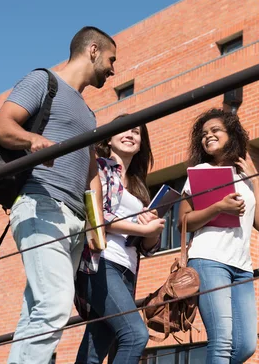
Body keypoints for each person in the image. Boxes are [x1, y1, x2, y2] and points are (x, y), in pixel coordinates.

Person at [0, 26, 117, 364]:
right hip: (41, 205)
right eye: (111, 59)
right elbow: (1, 126)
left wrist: (96, 226)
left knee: (36, 310)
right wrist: (34, 141)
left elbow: (91, 174)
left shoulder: (89, 114)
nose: (113, 69)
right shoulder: (44, 81)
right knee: (56, 303)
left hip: (75, 221)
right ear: (93, 50)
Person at [178, 108, 259, 363]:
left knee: (244, 346)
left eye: (215, 130)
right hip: (208, 260)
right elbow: (183, 222)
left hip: (242, 268)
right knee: (222, 341)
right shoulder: (200, 171)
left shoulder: (247, 177)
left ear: (232, 135)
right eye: (204, 134)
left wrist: (256, 180)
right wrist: (218, 208)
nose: (207, 136)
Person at [74, 114, 165, 364]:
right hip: (100, 262)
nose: (130, 135)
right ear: (110, 139)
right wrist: (141, 230)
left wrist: (153, 231)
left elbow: (147, 248)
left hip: (127, 269)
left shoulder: (138, 186)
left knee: (93, 353)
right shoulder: (100, 168)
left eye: (136, 132)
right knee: (135, 335)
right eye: (123, 130)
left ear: (141, 143)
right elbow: (96, 217)